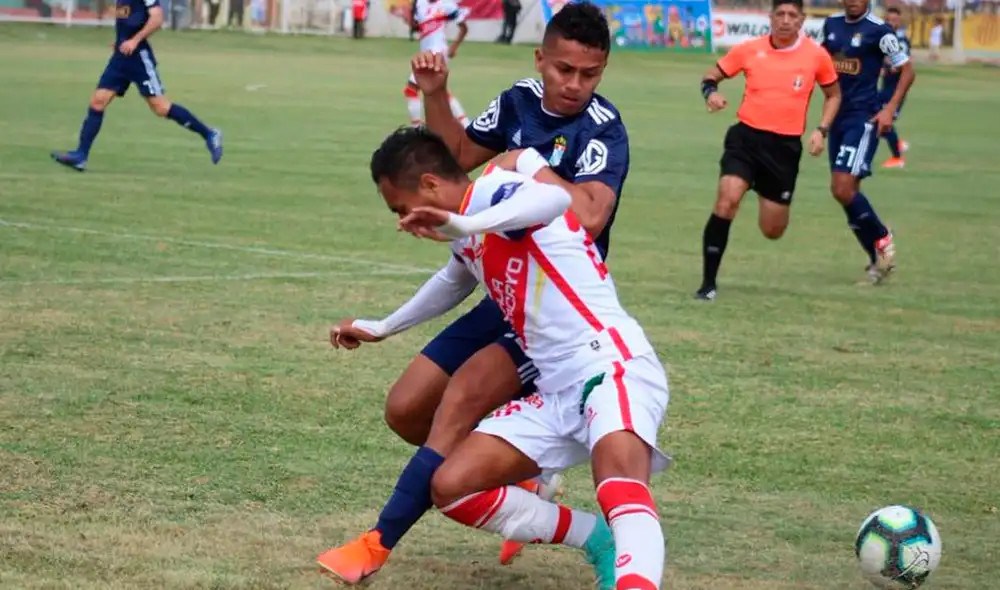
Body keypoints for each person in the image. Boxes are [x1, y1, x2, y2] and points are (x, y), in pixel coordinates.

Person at [316, 2, 632, 583]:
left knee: (458, 405)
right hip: (501, 288)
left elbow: (582, 215)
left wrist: (521, 171)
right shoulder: (516, 102)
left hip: (553, 308)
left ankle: (377, 542)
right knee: (407, 409)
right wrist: (437, 94)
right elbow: (454, 163)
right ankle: (516, 466)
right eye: (563, 70)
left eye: (589, 74)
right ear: (541, 60)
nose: (574, 85)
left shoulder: (601, 132)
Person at [335, 125, 672, 590]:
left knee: (617, 482)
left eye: (401, 208)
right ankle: (596, 538)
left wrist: (466, 223)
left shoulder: (494, 192)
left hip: (609, 366)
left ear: (430, 185)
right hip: (555, 391)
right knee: (452, 486)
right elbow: (452, 281)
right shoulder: (467, 230)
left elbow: (554, 202)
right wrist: (385, 326)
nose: (403, 220)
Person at [694, 0, 841, 301]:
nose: (786, 20)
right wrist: (711, 93)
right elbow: (712, 74)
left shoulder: (816, 56)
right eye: (780, 14)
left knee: (772, 230)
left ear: (802, 20)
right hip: (745, 140)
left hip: (784, 149)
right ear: (770, 17)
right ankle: (708, 284)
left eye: (792, 15)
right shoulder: (750, 49)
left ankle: (765, 191)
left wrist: (821, 130)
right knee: (727, 201)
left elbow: (833, 95)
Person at [51, 0, 222, 172]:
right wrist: (119, 41)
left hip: (138, 57)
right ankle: (81, 156)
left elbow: (157, 18)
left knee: (161, 107)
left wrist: (134, 40)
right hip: (120, 57)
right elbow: (127, 18)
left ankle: (209, 134)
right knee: (98, 101)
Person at [821, 0, 914, 284]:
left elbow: (907, 70)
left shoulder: (879, 31)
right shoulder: (831, 25)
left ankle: (882, 237)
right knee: (847, 193)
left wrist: (889, 108)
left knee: (841, 187)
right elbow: (822, 61)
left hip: (864, 118)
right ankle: (877, 261)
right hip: (837, 117)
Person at [404, 0, 470, 127]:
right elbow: (417, 27)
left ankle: (416, 128)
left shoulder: (446, 5)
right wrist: (409, 17)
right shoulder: (420, 4)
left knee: (411, 89)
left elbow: (464, 28)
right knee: (440, 91)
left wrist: (454, 47)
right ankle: (466, 124)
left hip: (438, 52)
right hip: (426, 53)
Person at [878, 6, 911, 169]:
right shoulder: (886, 37)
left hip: (895, 89)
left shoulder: (901, 41)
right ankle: (897, 143)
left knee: (883, 123)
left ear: (899, 22)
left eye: (894, 20)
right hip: (885, 88)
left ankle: (897, 157)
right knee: (876, 118)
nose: (890, 23)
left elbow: (900, 65)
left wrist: (887, 66)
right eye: (888, 20)